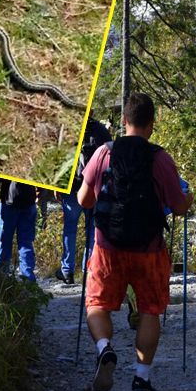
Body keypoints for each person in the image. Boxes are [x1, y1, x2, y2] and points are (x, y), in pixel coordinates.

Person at [78, 92, 193, 391]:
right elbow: (178, 206)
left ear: (124, 121)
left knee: (96, 305)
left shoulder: (104, 153)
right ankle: (141, 379)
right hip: (149, 248)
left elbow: (84, 200)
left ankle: (105, 349)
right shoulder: (160, 158)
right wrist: (189, 197)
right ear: (151, 125)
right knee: (150, 310)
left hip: (107, 246)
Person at [58, 116, 113, 285]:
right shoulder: (102, 132)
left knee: (70, 230)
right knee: (92, 231)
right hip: (94, 188)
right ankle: (89, 270)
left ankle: (67, 271)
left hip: (72, 188)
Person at [0, 176, 38, 281]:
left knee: (5, 241)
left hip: (9, 203)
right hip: (29, 202)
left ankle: (2, 275)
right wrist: (39, 191)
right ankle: (28, 279)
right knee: (26, 242)